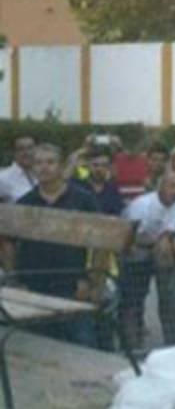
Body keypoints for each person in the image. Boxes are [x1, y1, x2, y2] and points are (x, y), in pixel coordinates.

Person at [14, 144, 101, 347]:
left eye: (50, 162)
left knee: (83, 343)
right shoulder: (24, 203)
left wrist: (91, 281)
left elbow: (101, 242)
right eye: (38, 163)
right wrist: (15, 279)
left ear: (61, 166)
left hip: (72, 285)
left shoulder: (84, 200)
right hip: (33, 286)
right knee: (39, 346)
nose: (44, 167)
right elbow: (8, 243)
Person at [120, 171, 175, 348]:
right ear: (161, 186)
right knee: (133, 301)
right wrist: (160, 240)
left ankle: (172, 343)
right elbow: (130, 235)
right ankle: (132, 345)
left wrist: (165, 241)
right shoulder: (142, 205)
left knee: (168, 299)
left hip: (156, 248)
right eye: (172, 186)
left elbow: (169, 230)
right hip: (133, 250)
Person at [0, 135, 35, 203]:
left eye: (30, 148)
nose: (27, 152)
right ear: (13, 152)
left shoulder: (44, 175)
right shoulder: (3, 178)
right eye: (21, 149)